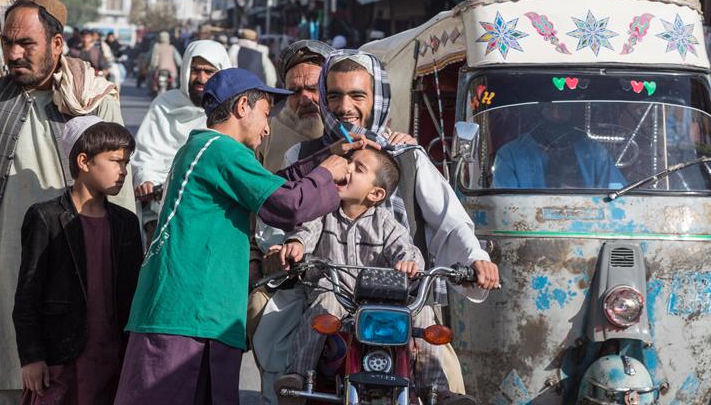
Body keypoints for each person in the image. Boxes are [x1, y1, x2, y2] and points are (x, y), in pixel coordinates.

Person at [114, 68, 370, 404]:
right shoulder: (220, 149)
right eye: (265, 114)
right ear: (241, 108)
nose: (267, 128)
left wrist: (325, 155)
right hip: (185, 316)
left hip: (202, 317)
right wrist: (327, 173)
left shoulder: (208, 150)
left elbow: (273, 183)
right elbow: (288, 204)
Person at [260, 51, 499, 395]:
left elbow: (449, 218)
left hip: (400, 298)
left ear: (378, 100)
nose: (345, 106)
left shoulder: (408, 156)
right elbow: (287, 216)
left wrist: (475, 256)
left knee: (442, 369)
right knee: (272, 357)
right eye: (334, 95)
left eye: (358, 95)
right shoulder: (304, 155)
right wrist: (283, 250)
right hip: (326, 290)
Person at [0, 0, 135, 405]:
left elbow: (123, 194)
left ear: (57, 44)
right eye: (8, 43)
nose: (13, 54)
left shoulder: (95, 101)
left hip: (77, 265)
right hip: (1, 263)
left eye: (26, 44)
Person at [275, 148, 469, 404]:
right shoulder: (323, 213)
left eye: (358, 168)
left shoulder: (387, 223)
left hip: (381, 304)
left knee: (423, 313)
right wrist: (297, 245)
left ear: (376, 194)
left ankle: (434, 390)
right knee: (325, 304)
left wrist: (409, 262)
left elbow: (406, 250)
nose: (347, 168)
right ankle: (298, 375)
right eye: (348, 162)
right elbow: (306, 233)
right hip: (338, 296)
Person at [13, 117, 142, 404]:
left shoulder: (126, 223)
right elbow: (27, 295)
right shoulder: (45, 218)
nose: (122, 171)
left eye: (126, 163)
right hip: (62, 361)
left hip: (113, 361)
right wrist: (31, 357)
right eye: (114, 161)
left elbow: (135, 294)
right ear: (84, 161)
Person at [131, 40, 232, 201]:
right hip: (159, 198)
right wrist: (146, 179)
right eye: (195, 70)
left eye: (209, 71)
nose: (201, 78)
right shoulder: (164, 104)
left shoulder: (230, 113)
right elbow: (144, 155)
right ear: (186, 70)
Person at [492, 103, 625, 189]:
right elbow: (505, 206)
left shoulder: (594, 152)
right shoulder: (511, 155)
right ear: (539, 111)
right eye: (549, 108)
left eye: (563, 108)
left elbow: (617, 194)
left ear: (572, 112)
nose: (556, 115)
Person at [258, 40, 333, 172]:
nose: (304, 100)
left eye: (313, 88)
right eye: (294, 92)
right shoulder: (266, 131)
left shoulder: (349, 130)